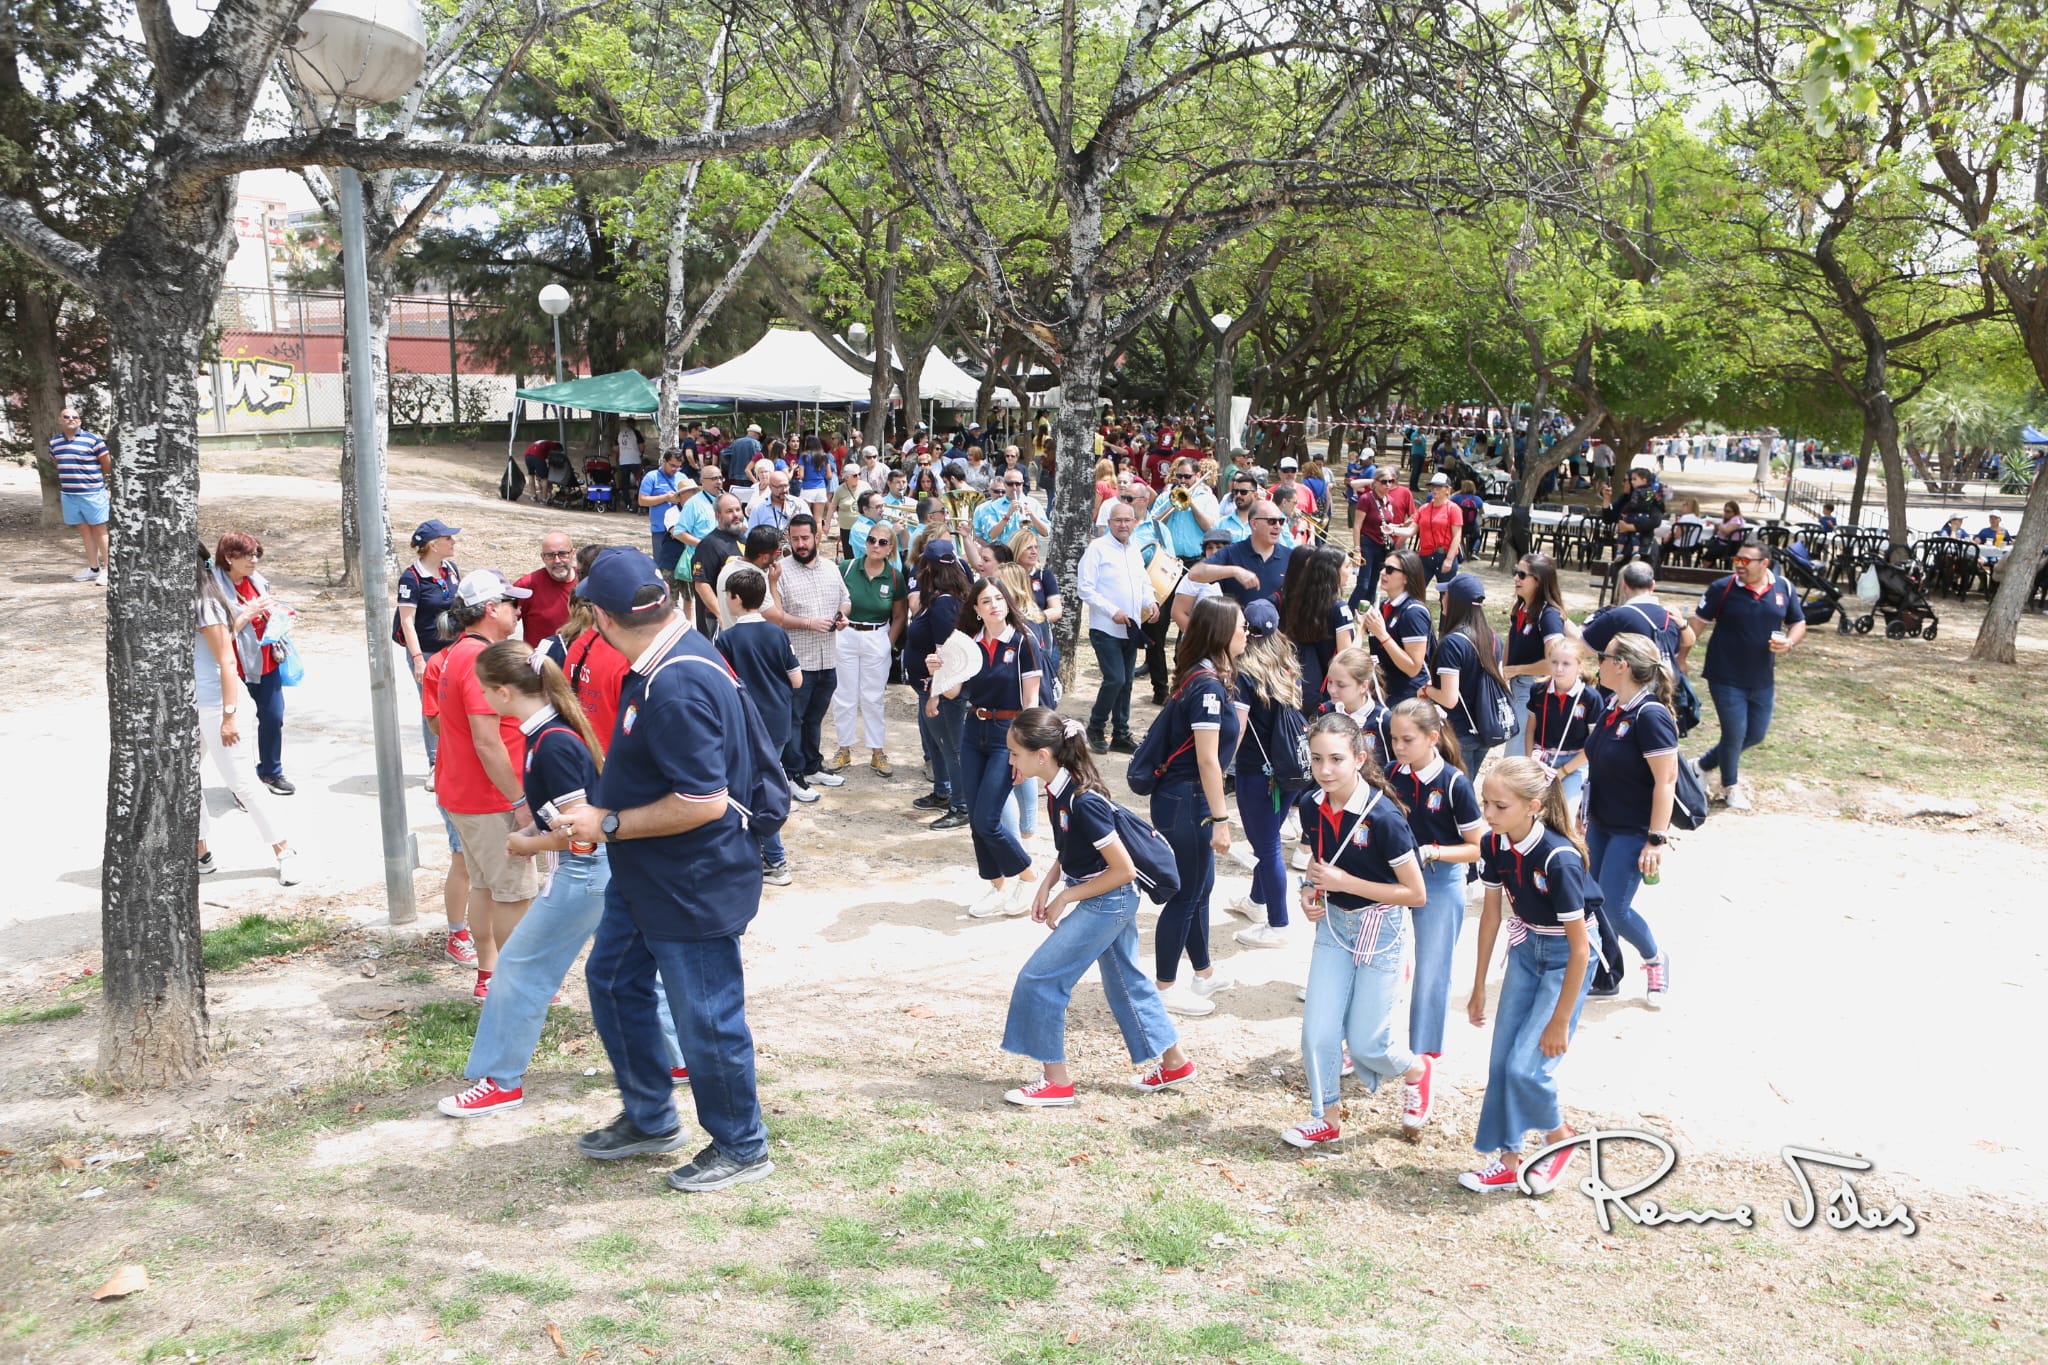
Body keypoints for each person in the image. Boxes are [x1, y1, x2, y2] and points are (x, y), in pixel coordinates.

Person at [556, 549, 774, 1193]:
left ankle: (741, 1145)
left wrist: (607, 824)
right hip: (650, 873)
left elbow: (702, 801)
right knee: (613, 979)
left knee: (706, 1017)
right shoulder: (667, 658)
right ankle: (651, 1117)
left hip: (691, 882)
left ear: (600, 617)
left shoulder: (675, 682)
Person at [438, 639, 691, 1117]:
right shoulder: (551, 732)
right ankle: (680, 1059)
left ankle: (500, 1081)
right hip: (605, 871)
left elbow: (582, 834)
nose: (484, 701)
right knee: (636, 969)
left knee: (518, 970)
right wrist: (533, 830)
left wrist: (528, 845)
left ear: (505, 693)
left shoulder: (550, 743)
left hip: (583, 874)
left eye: (486, 691)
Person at [995, 710, 1197, 1105]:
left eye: (1015, 753)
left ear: (1041, 755)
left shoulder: (1083, 800)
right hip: (1102, 896)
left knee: (1040, 978)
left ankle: (1056, 1082)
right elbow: (1072, 847)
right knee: (1126, 983)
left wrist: (1065, 897)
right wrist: (1048, 884)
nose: (1010, 760)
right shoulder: (1058, 789)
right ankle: (1175, 1063)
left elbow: (1124, 870)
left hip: (1108, 901)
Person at [1281, 712, 1433, 1147]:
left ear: (1359, 759)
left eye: (1336, 759)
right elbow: (1320, 862)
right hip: (1333, 925)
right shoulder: (1311, 803)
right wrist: (1309, 890)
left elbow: (1416, 894)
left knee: (1369, 1045)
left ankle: (1417, 1070)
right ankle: (1326, 1117)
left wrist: (1346, 883)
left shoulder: (1384, 818)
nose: (1325, 770)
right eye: (1316, 759)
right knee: (1317, 1032)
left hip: (1381, 931)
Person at [1458, 756, 1593, 1195]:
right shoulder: (1494, 844)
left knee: (1527, 1068)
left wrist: (1560, 1020)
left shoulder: (1559, 858)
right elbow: (1491, 916)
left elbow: (1580, 949)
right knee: (1502, 1062)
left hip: (1566, 958)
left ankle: (1559, 1139)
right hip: (1524, 949)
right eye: (1485, 803)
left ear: (1533, 806)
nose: (1488, 814)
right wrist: (1479, 985)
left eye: (1500, 806)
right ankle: (1509, 1160)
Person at [435, 570, 542, 1000]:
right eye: (512, 603)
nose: (519, 610)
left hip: (463, 793)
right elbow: (487, 740)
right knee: (514, 893)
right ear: (491, 609)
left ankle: (489, 976)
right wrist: (519, 800)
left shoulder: (456, 653)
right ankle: (518, 986)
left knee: (483, 886)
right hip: (490, 798)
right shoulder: (481, 661)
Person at [1145, 596, 1246, 1018]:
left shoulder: (1207, 676)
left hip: (1187, 798)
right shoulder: (1206, 685)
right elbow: (1207, 760)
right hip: (1187, 800)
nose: (1247, 633)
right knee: (1186, 895)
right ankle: (1164, 987)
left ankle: (1202, 973)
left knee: (1201, 890)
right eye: (1241, 626)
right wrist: (1221, 819)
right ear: (1222, 633)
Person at [1386, 697, 1485, 1062]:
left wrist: (1433, 852)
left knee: (1432, 970)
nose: (1398, 747)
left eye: (1407, 739)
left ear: (1432, 737)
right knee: (1378, 961)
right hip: (1394, 878)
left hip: (1440, 881)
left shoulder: (1455, 783)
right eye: (1394, 738)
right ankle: (1367, 1042)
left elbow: (1477, 847)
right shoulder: (1391, 774)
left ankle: (1423, 1056)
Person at [938, 576, 1043, 918]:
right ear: (976, 609)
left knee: (987, 819)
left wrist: (1022, 752)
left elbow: (1031, 703)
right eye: (986, 601)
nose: (994, 605)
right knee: (976, 818)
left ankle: (1027, 875)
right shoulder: (967, 644)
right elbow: (953, 692)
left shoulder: (1024, 641)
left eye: (998, 598)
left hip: (1008, 734)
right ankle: (997, 886)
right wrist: (939, 670)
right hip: (974, 729)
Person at [1582, 633, 1678, 1005]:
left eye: (1603, 657)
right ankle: (1606, 974)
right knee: (1592, 902)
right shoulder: (1613, 705)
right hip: (1601, 822)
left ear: (1621, 665)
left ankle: (1655, 958)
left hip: (1633, 829)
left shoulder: (1650, 715)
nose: (1598, 663)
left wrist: (1656, 839)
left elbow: (1666, 780)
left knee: (1614, 908)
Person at [194, 544, 297, 885]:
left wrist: (228, 716)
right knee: (183, 779)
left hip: (216, 705)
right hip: (191, 707)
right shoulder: (188, 600)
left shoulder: (206, 604)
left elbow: (226, 660)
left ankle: (285, 851)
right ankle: (200, 852)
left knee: (242, 783)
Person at [1682, 540, 1805, 812]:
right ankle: (1730, 787)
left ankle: (1700, 765)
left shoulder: (1783, 588)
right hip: (1724, 674)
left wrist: (1790, 642)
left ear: (1764, 564)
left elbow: (1798, 621)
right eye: (1737, 559)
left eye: (1746, 561)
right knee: (1734, 733)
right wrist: (1681, 658)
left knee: (1756, 734)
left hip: (1762, 678)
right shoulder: (1722, 588)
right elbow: (1697, 625)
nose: (1739, 565)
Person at [1224, 602, 1306, 949]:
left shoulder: (1244, 673)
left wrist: (1218, 765)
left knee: (1267, 846)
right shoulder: (1286, 664)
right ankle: (1257, 901)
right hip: (1289, 768)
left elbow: (1239, 729)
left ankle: (1278, 923)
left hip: (1257, 772)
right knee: (1268, 838)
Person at [717, 566, 802, 886]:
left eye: (728, 595)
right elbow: (797, 679)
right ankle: (766, 856)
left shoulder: (727, 639)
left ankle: (775, 860)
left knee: (753, 791)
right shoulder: (777, 633)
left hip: (745, 723)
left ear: (737, 599)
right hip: (778, 720)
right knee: (767, 785)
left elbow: (719, 685)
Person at [212, 532, 296, 797]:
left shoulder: (257, 581)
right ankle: (241, 784)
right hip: (233, 668)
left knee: (273, 717)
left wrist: (278, 616)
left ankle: (270, 772)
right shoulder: (214, 589)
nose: (254, 560)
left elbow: (267, 612)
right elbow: (222, 634)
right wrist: (248, 613)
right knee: (238, 727)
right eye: (247, 555)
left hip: (266, 661)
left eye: (256, 554)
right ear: (229, 557)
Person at [775, 515, 851, 800]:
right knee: (794, 720)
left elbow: (846, 599)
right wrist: (808, 623)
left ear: (817, 537)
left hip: (828, 659)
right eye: (795, 539)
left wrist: (842, 616)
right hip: (798, 662)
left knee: (815, 718)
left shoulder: (831, 568)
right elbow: (776, 616)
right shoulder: (780, 571)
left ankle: (812, 766)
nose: (800, 544)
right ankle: (793, 775)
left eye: (805, 538)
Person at [823, 519, 906, 777]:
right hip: (846, 634)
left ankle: (877, 752)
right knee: (844, 695)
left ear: (890, 548)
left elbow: (900, 615)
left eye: (882, 542)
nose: (875, 545)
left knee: (873, 696)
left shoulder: (895, 576)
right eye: (871, 540)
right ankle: (844, 749)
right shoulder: (847, 567)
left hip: (876, 635)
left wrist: (887, 643)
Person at [1077, 500, 1158, 754]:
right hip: (1105, 628)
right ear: (1109, 522)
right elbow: (1085, 588)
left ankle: (1121, 733)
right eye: (1118, 520)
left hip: (1131, 628)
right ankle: (1096, 726)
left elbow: (1144, 583)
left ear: (1134, 522)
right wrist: (1112, 611)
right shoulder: (1097, 549)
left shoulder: (1134, 550)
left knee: (1127, 682)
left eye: (1127, 520)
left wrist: (1151, 601)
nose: (1123, 525)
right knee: (1115, 678)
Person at [906, 545, 972, 829]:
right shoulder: (939, 598)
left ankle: (962, 805)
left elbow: (945, 654)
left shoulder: (945, 603)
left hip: (941, 690)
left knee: (952, 747)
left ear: (929, 568)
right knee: (936, 742)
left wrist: (935, 693)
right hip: (928, 688)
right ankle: (943, 791)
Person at [394, 518, 463, 775]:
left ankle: (455, 758)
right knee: (434, 707)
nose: (453, 541)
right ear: (433, 545)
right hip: (426, 652)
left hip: (453, 650)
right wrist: (418, 659)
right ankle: (436, 764)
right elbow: (407, 621)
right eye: (448, 538)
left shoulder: (451, 569)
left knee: (456, 703)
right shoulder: (411, 578)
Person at [1500, 554, 1568, 757]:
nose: (1516, 578)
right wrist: (1503, 668)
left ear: (1538, 581)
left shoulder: (1548, 615)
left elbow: (1554, 663)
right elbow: (1512, 639)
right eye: (1515, 572)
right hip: (1517, 687)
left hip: (1532, 689)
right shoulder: (1521, 608)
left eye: (1522, 574)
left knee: (1515, 757)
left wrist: (1517, 669)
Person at [1523, 638, 1603, 812]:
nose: (1559, 668)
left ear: (1579, 667)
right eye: (1554, 662)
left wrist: (1562, 773)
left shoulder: (1590, 697)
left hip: (1575, 763)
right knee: (1531, 811)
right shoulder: (1538, 691)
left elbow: (1593, 745)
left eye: (1566, 664)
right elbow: (1530, 730)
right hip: (1542, 760)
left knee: (1565, 813)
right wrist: (1531, 761)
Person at [1580, 560, 1693, 668]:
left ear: (1624, 585)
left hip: (1623, 680)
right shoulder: (1671, 617)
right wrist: (1683, 624)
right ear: (1653, 585)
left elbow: (1585, 648)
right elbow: (1684, 644)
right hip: (1664, 680)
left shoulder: (1616, 616)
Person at [1279, 545, 1355, 705]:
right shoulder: (1339, 609)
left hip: (1303, 682)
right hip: (1330, 689)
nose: (1351, 572)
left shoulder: (1300, 601)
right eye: (1347, 567)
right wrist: (1361, 631)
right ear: (1333, 571)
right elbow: (1347, 656)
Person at [1358, 548, 1432, 705]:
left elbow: (1413, 668)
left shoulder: (1414, 612)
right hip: (1385, 691)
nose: (1382, 573)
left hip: (1409, 697)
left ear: (1406, 577)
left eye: (1390, 570)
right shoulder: (1384, 606)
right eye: (1383, 567)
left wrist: (1383, 635)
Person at [1186, 498, 1288, 611]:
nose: (1278, 526)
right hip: (1236, 621)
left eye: (1281, 521)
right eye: (1272, 521)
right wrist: (1234, 571)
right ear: (1254, 524)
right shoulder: (1232, 552)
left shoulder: (1290, 556)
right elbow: (1194, 573)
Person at [51, 406, 111, 584]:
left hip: (92, 493)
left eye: (75, 417)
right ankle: (93, 568)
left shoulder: (93, 440)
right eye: (66, 416)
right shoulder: (54, 442)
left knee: (100, 531)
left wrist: (92, 480)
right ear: (60, 420)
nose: (71, 419)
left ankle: (109, 570)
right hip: (69, 494)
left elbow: (106, 464)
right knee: (85, 531)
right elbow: (58, 463)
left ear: (80, 420)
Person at [1322, 645, 1392, 768]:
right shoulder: (1326, 712)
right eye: (1330, 682)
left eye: (1341, 685)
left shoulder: (1383, 720)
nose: (1332, 690)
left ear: (1364, 686)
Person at [688, 493, 749, 636]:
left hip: (741, 615)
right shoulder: (708, 545)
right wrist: (721, 616)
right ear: (718, 515)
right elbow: (701, 585)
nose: (736, 515)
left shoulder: (743, 539)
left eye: (738, 510)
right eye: (729, 511)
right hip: (715, 620)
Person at [514, 532, 579, 646]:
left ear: (573, 553)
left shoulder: (587, 581)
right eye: (550, 555)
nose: (557, 560)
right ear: (543, 557)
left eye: (563, 554)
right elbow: (500, 624)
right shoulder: (526, 586)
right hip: (542, 657)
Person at [639, 450, 690, 568]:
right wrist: (665, 498)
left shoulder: (682, 477)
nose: (675, 469)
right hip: (660, 530)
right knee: (661, 566)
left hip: (681, 529)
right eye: (672, 466)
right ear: (663, 461)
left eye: (678, 467)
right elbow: (642, 500)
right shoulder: (651, 477)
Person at [1414, 472, 1464, 586]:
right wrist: (1393, 530)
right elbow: (1412, 529)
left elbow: (1457, 536)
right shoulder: (1424, 508)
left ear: (1447, 489)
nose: (1435, 490)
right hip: (1425, 555)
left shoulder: (1453, 509)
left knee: (1444, 591)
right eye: (1433, 487)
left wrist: (1449, 559)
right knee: (1416, 589)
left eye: (1439, 487)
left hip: (1444, 554)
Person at [747, 469, 798, 537]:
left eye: (786, 486)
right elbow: (750, 536)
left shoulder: (799, 504)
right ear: (770, 487)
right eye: (780, 486)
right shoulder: (758, 509)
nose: (784, 490)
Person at [1705, 500, 1748, 565]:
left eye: (1728, 511)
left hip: (1729, 547)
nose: (1726, 513)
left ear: (1735, 512)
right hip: (1723, 544)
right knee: (1708, 550)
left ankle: (1707, 569)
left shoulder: (1736, 520)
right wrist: (1716, 526)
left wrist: (1718, 525)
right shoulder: (1728, 520)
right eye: (1725, 511)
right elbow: (1716, 533)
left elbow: (1727, 532)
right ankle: (1712, 568)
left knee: (1708, 556)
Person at [722, 423, 764, 489]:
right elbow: (760, 458)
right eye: (759, 435)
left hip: (737, 475)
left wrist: (730, 467)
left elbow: (723, 454)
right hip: (750, 475)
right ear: (756, 434)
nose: (759, 437)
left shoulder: (736, 442)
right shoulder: (756, 443)